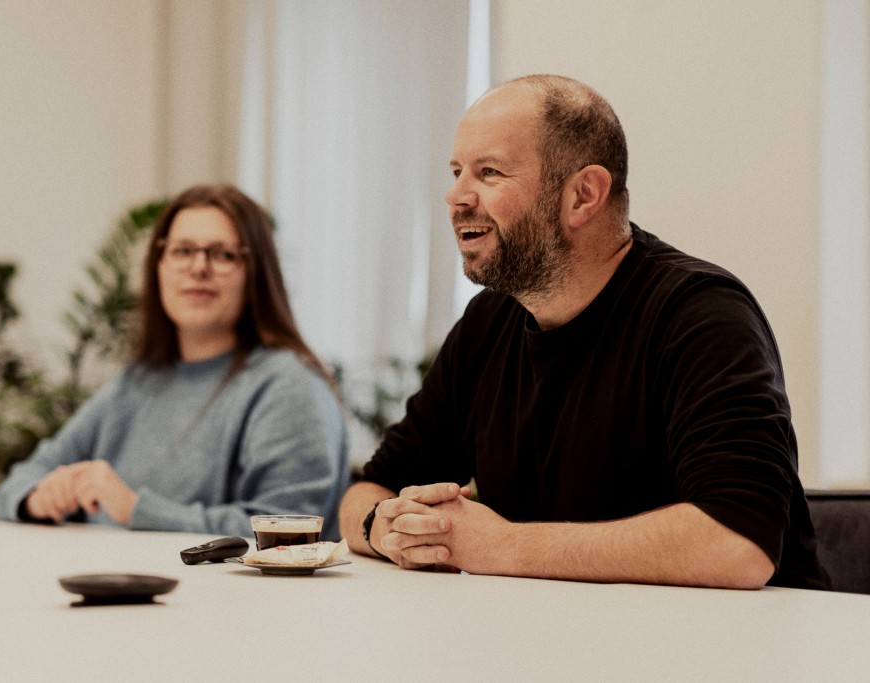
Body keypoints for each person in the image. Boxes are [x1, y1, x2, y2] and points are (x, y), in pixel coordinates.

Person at [340, 75, 829, 589]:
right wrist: (386, 529)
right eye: (457, 171)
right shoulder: (489, 322)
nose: (456, 196)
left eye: (489, 172)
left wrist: (500, 545)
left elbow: (739, 545)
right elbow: (370, 489)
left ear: (583, 195)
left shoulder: (701, 315)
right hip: (561, 633)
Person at [0, 184, 350, 538]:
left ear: (256, 272)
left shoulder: (289, 385)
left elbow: (288, 531)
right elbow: (24, 479)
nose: (198, 267)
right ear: (159, 265)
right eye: (182, 251)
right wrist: (38, 498)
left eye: (223, 254)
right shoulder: (138, 381)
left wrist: (134, 509)